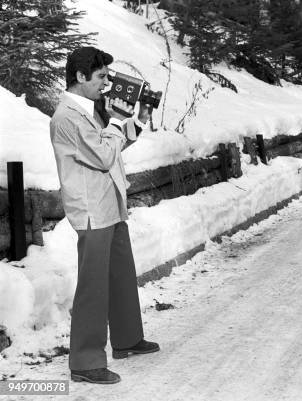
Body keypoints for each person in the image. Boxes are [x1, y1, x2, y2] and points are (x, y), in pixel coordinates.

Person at [50, 47, 158, 385]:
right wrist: (114, 122)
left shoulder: (89, 111)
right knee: (93, 286)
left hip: (110, 203)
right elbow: (100, 156)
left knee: (121, 275)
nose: (106, 83)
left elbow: (110, 148)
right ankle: (84, 360)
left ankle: (126, 339)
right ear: (81, 77)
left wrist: (136, 121)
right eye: (101, 77)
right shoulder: (66, 117)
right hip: (91, 210)